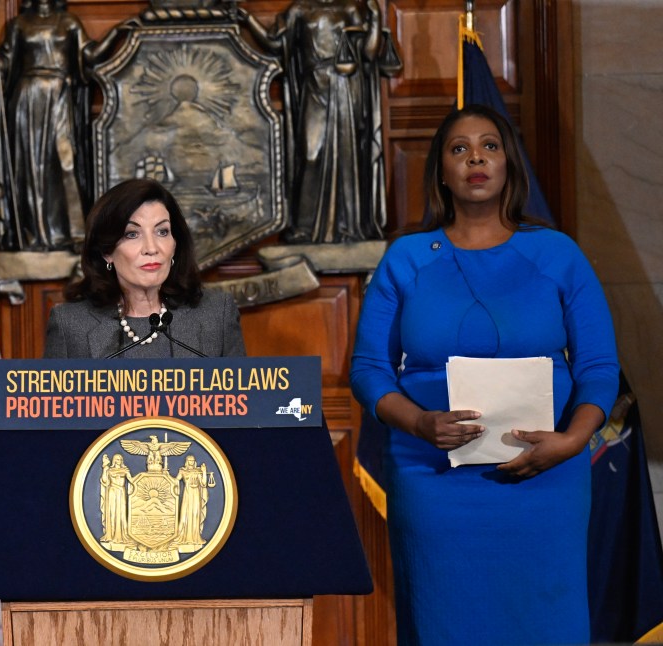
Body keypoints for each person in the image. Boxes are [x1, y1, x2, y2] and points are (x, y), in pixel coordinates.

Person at [350, 103, 619, 645]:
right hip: (434, 479)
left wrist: (572, 440)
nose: (476, 157)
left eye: (490, 146)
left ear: (507, 164)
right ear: (442, 173)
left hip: (546, 477)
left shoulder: (557, 253)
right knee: (444, 621)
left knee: (545, 622)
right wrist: (421, 423)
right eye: (459, 149)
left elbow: (598, 367)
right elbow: (369, 369)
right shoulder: (406, 258)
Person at [241, 0, 397, 243]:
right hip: (314, 87)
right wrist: (248, 20)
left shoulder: (350, 8)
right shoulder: (299, 9)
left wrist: (375, 18)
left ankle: (350, 227)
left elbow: (369, 52)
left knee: (347, 157)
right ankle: (305, 228)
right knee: (310, 154)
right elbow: (275, 44)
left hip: (345, 87)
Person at [42, 178, 246, 358]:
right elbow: (54, 402)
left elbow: (244, 400)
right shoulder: (69, 325)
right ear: (107, 251)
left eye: (162, 232)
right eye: (132, 234)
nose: (151, 248)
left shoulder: (217, 315)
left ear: (175, 244)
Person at [0, 0, 125, 252]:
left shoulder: (68, 22)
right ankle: (33, 235)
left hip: (60, 95)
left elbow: (89, 56)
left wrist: (117, 33)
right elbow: (1, 65)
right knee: (32, 168)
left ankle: (75, 234)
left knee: (65, 161)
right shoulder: (19, 24)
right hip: (27, 98)